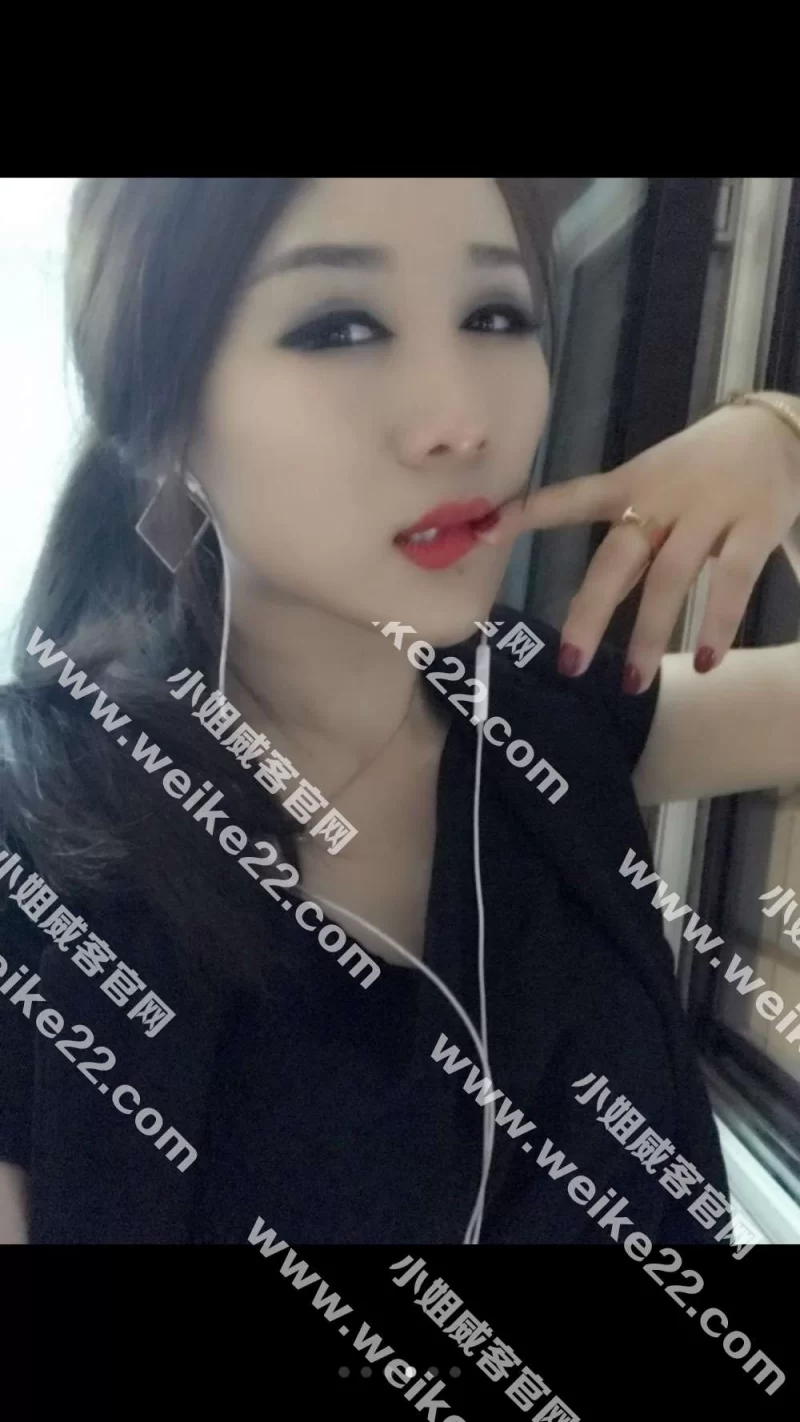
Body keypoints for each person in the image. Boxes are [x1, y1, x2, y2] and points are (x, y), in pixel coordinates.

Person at [0, 177, 798, 1247]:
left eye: (496, 316)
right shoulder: (45, 839)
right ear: (166, 416)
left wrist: (778, 441)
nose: (458, 422)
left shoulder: (541, 716)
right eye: (338, 327)